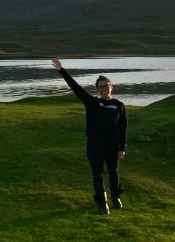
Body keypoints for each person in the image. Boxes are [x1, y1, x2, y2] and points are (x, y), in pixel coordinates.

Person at [52, 58, 127, 214]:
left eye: (106, 85)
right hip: (95, 145)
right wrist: (61, 70)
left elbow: (123, 128)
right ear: (97, 90)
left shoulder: (119, 106)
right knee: (97, 174)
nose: (104, 89)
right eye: (100, 87)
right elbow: (76, 87)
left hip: (112, 145)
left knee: (113, 172)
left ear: (111, 86)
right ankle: (102, 203)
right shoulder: (92, 102)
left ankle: (115, 198)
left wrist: (122, 148)